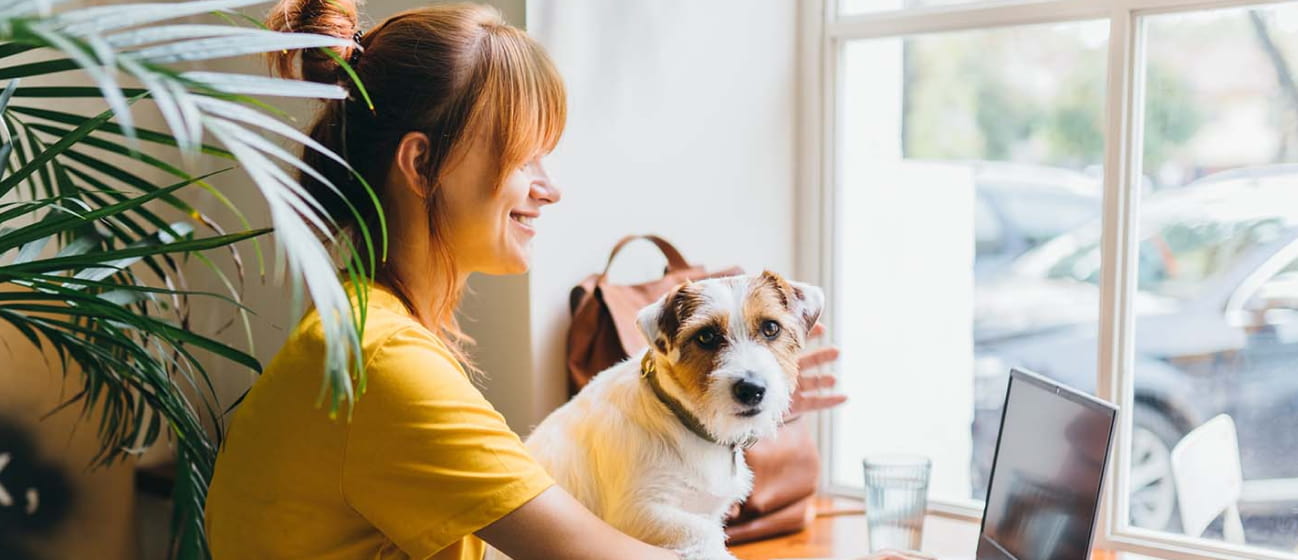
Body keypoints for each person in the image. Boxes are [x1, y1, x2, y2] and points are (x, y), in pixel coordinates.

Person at [204, 2, 930, 559]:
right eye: (524, 157)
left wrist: (728, 408)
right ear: (422, 166)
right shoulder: (383, 362)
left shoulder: (370, 329)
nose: (550, 189)